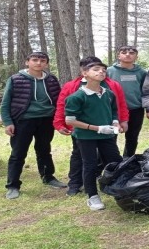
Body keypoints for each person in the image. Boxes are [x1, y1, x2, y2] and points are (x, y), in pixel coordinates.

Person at [54, 56, 129, 196]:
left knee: (110, 155)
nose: (100, 71)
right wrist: (59, 123)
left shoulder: (112, 86)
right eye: (94, 68)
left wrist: (121, 120)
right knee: (79, 156)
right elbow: (62, 105)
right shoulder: (72, 86)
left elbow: (119, 105)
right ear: (84, 70)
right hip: (83, 132)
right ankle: (75, 184)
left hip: (107, 129)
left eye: (102, 69)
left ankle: (111, 182)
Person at [0, 51, 66, 199]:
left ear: (46, 64)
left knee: (44, 150)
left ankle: (48, 177)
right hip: (23, 121)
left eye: (42, 61)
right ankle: (13, 185)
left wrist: (60, 119)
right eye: (35, 60)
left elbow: (59, 101)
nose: (38, 63)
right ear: (27, 62)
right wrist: (8, 122)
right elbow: (5, 103)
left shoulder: (51, 80)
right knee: (18, 153)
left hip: (46, 120)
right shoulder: (16, 79)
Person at [107, 45, 147, 157]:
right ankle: (111, 161)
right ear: (118, 56)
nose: (128, 54)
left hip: (135, 109)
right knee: (110, 137)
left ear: (136, 56)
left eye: (131, 53)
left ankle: (127, 161)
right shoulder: (109, 71)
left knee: (132, 137)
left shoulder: (142, 72)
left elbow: (146, 91)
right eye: (124, 52)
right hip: (113, 110)